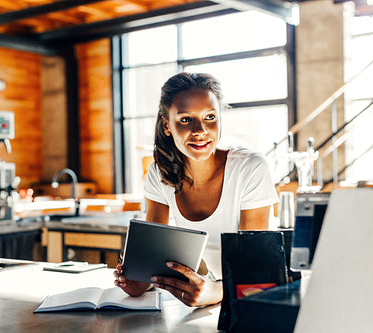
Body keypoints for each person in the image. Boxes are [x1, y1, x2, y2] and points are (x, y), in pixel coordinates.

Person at [114, 72, 279, 307]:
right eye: (185, 119)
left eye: (210, 117)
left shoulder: (249, 167)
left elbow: (257, 266)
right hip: (225, 294)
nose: (200, 130)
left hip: (265, 294)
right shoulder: (159, 174)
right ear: (166, 125)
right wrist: (139, 281)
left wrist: (216, 292)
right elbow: (153, 261)